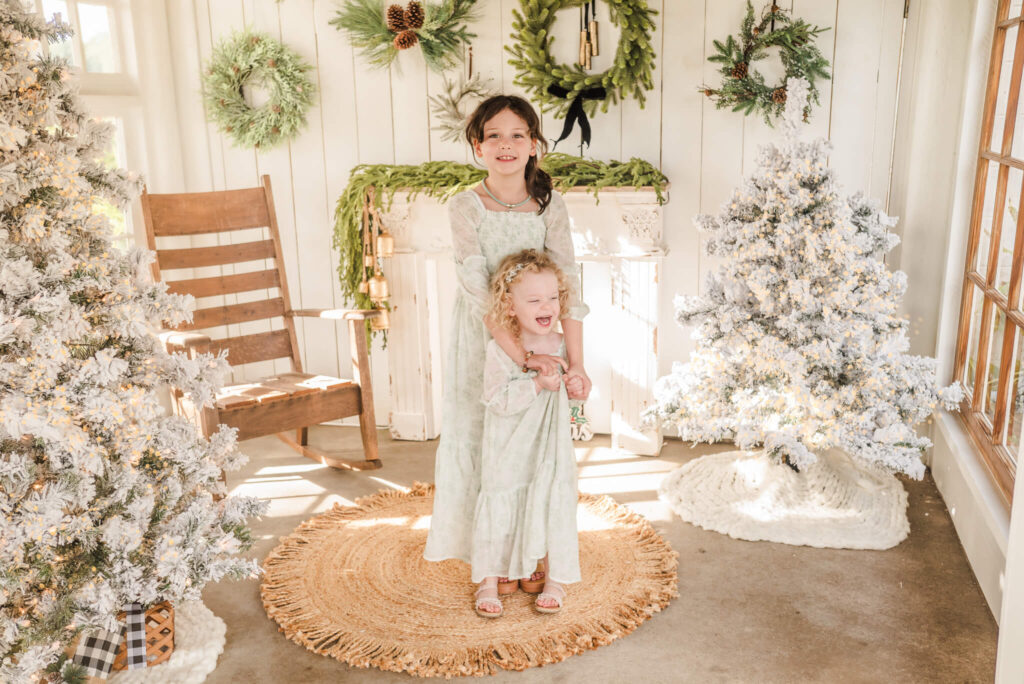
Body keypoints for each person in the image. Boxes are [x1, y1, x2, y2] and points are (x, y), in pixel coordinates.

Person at [423, 95, 590, 612]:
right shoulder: (464, 206)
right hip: (485, 338)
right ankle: (489, 560)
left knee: (537, 450)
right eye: (493, 135)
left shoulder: (549, 205)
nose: (506, 145)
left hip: (543, 341)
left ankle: (535, 552)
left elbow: (569, 287)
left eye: (518, 134)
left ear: (534, 145)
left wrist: (574, 362)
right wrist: (521, 359)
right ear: (477, 146)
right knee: (488, 445)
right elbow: (479, 291)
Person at [470, 250, 582, 617]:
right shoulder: (502, 350)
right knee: (501, 502)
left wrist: (577, 385)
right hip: (508, 445)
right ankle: (489, 580)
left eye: (552, 297)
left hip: (549, 447)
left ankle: (555, 578)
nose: (546, 306)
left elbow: (572, 397)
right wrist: (536, 385)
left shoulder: (563, 344)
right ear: (510, 305)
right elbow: (496, 399)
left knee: (550, 500)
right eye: (534, 300)